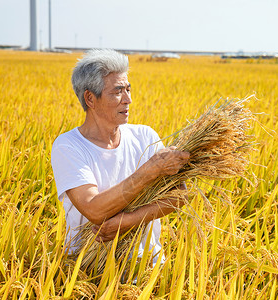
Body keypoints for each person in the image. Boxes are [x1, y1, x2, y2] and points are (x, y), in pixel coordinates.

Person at [51, 49, 189, 262]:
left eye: (128, 89)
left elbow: (179, 194)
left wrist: (128, 221)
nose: (128, 99)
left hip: (146, 266)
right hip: (89, 268)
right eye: (117, 91)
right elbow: (94, 209)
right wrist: (150, 170)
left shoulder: (144, 135)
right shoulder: (69, 146)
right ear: (90, 98)